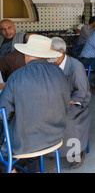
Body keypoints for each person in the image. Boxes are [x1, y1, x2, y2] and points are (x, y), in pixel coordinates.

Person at [0, 35, 70, 173]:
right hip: (55, 135)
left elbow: (3, 112)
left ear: (26, 54)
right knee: (29, 123)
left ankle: (11, 171)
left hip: (28, 140)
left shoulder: (17, 76)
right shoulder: (59, 72)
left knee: (21, 126)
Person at [50, 37, 92, 170]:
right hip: (57, 100)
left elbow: (82, 93)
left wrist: (63, 102)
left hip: (76, 101)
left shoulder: (75, 67)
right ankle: (46, 149)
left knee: (68, 119)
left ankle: (76, 153)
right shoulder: (51, 64)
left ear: (60, 52)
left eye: (49, 52)